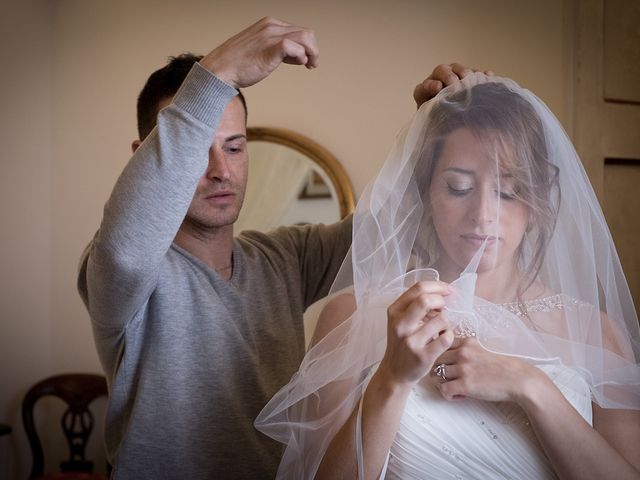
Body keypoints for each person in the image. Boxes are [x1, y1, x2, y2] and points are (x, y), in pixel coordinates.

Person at [77, 16, 474, 479]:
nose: (220, 171)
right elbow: (125, 247)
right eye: (196, 151)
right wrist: (218, 73)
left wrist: (432, 127)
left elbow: (392, 230)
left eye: (235, 147)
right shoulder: (121, 277)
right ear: (143, 156)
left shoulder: (284, 257)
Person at [255, 74, 640, 479]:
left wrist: (530, 385)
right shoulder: (353, 316)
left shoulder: (596, 334)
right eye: (458, 188)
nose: (482, 216)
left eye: (508, 192)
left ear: (537, 202)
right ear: (426, 193)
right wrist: (391, 379)